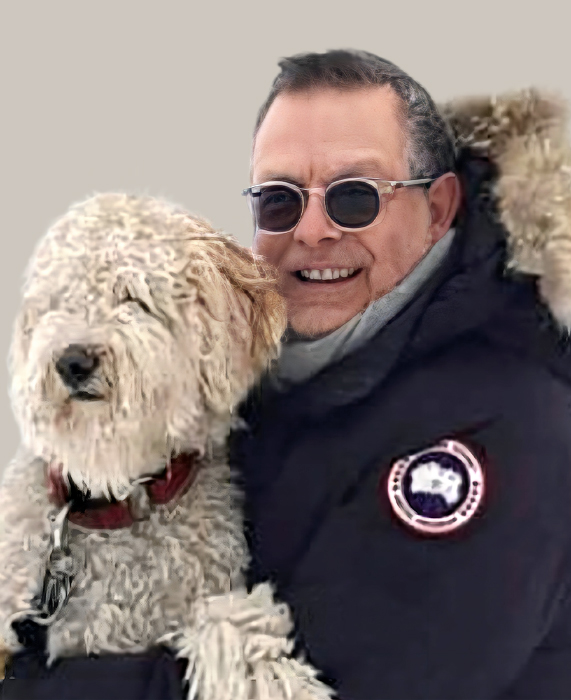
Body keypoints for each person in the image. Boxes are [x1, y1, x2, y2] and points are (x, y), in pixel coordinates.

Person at [230, 49, 571, 699]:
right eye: (278, 201)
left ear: (437, 209)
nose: (311, 230)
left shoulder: (506, 428)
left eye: (354, 198)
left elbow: (318, 686)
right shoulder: (252, 395)